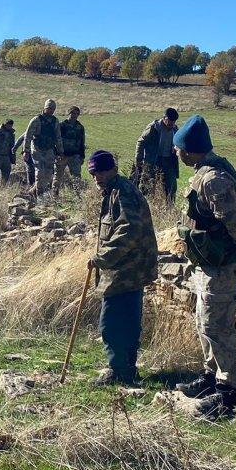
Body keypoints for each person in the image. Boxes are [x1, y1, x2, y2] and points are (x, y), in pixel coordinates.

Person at [172, 115, 236, 419]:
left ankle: (229, 392)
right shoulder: (208, 170)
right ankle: (210, 377)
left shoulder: (211, 178)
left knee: (217, 326)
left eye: (178, 148)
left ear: (187, 150)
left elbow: (233, 219)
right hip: (209, 262)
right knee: (204, 321)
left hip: (221, 264)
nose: (176, 153)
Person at [86, 150, 157, 386]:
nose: (98, 178)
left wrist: (101, 258)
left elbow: (129, 231)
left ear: (113, 169)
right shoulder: (114, 191)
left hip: (126, 271)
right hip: (127, 269)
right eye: (94, 173)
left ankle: (118, 370)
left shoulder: (123, 193)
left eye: (101, 172)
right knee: (126, 322)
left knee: (112, 323)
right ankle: (126, 369)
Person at [135, 108, 180, 202]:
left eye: (174, 122)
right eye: (170, 121)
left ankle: (170, 210)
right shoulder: (153, 127)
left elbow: (179, 145)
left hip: (169, 161)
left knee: (172, 188)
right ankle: (148, 207)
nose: (172, 124)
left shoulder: (175, 129)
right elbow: (140, 142)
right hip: (153, 160)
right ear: (164, 118)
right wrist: (139, 160)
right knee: (148, 187)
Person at [21, 99, 63, 197]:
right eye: (49, 108)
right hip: (37, 149)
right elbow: (28, 136)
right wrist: (26, 151)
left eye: (53, 109)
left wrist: (61, 151)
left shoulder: (55, 121)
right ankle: (38, 195)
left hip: (49, 150)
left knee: (48, 174)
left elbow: (58, 137)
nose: (51, 110)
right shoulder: (36, 120)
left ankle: (32, 192)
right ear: (45, 108)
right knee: (39, 173)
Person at [57, 107, 86, 192]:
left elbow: (82, 142)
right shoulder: (61, 125)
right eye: (73, 113)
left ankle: (78, 196)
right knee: (58, 177)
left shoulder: (80, 127)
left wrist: (82, 156)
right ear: (69, 113)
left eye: (77, 114)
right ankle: (55, 195)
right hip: (62, 155)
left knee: (76, 178)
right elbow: (56, 140)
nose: (75, 115)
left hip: (75, 156)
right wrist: (57, 154)